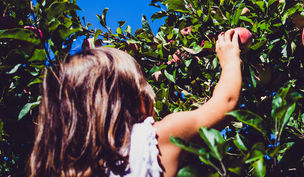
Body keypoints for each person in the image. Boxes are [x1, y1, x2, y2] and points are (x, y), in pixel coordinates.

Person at [29, 29, 243, 177]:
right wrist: (230, 57)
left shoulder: (58, 168)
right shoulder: (156, 138)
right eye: (142, 83)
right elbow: (225, 103)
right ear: (129, 99)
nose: (151, 91)